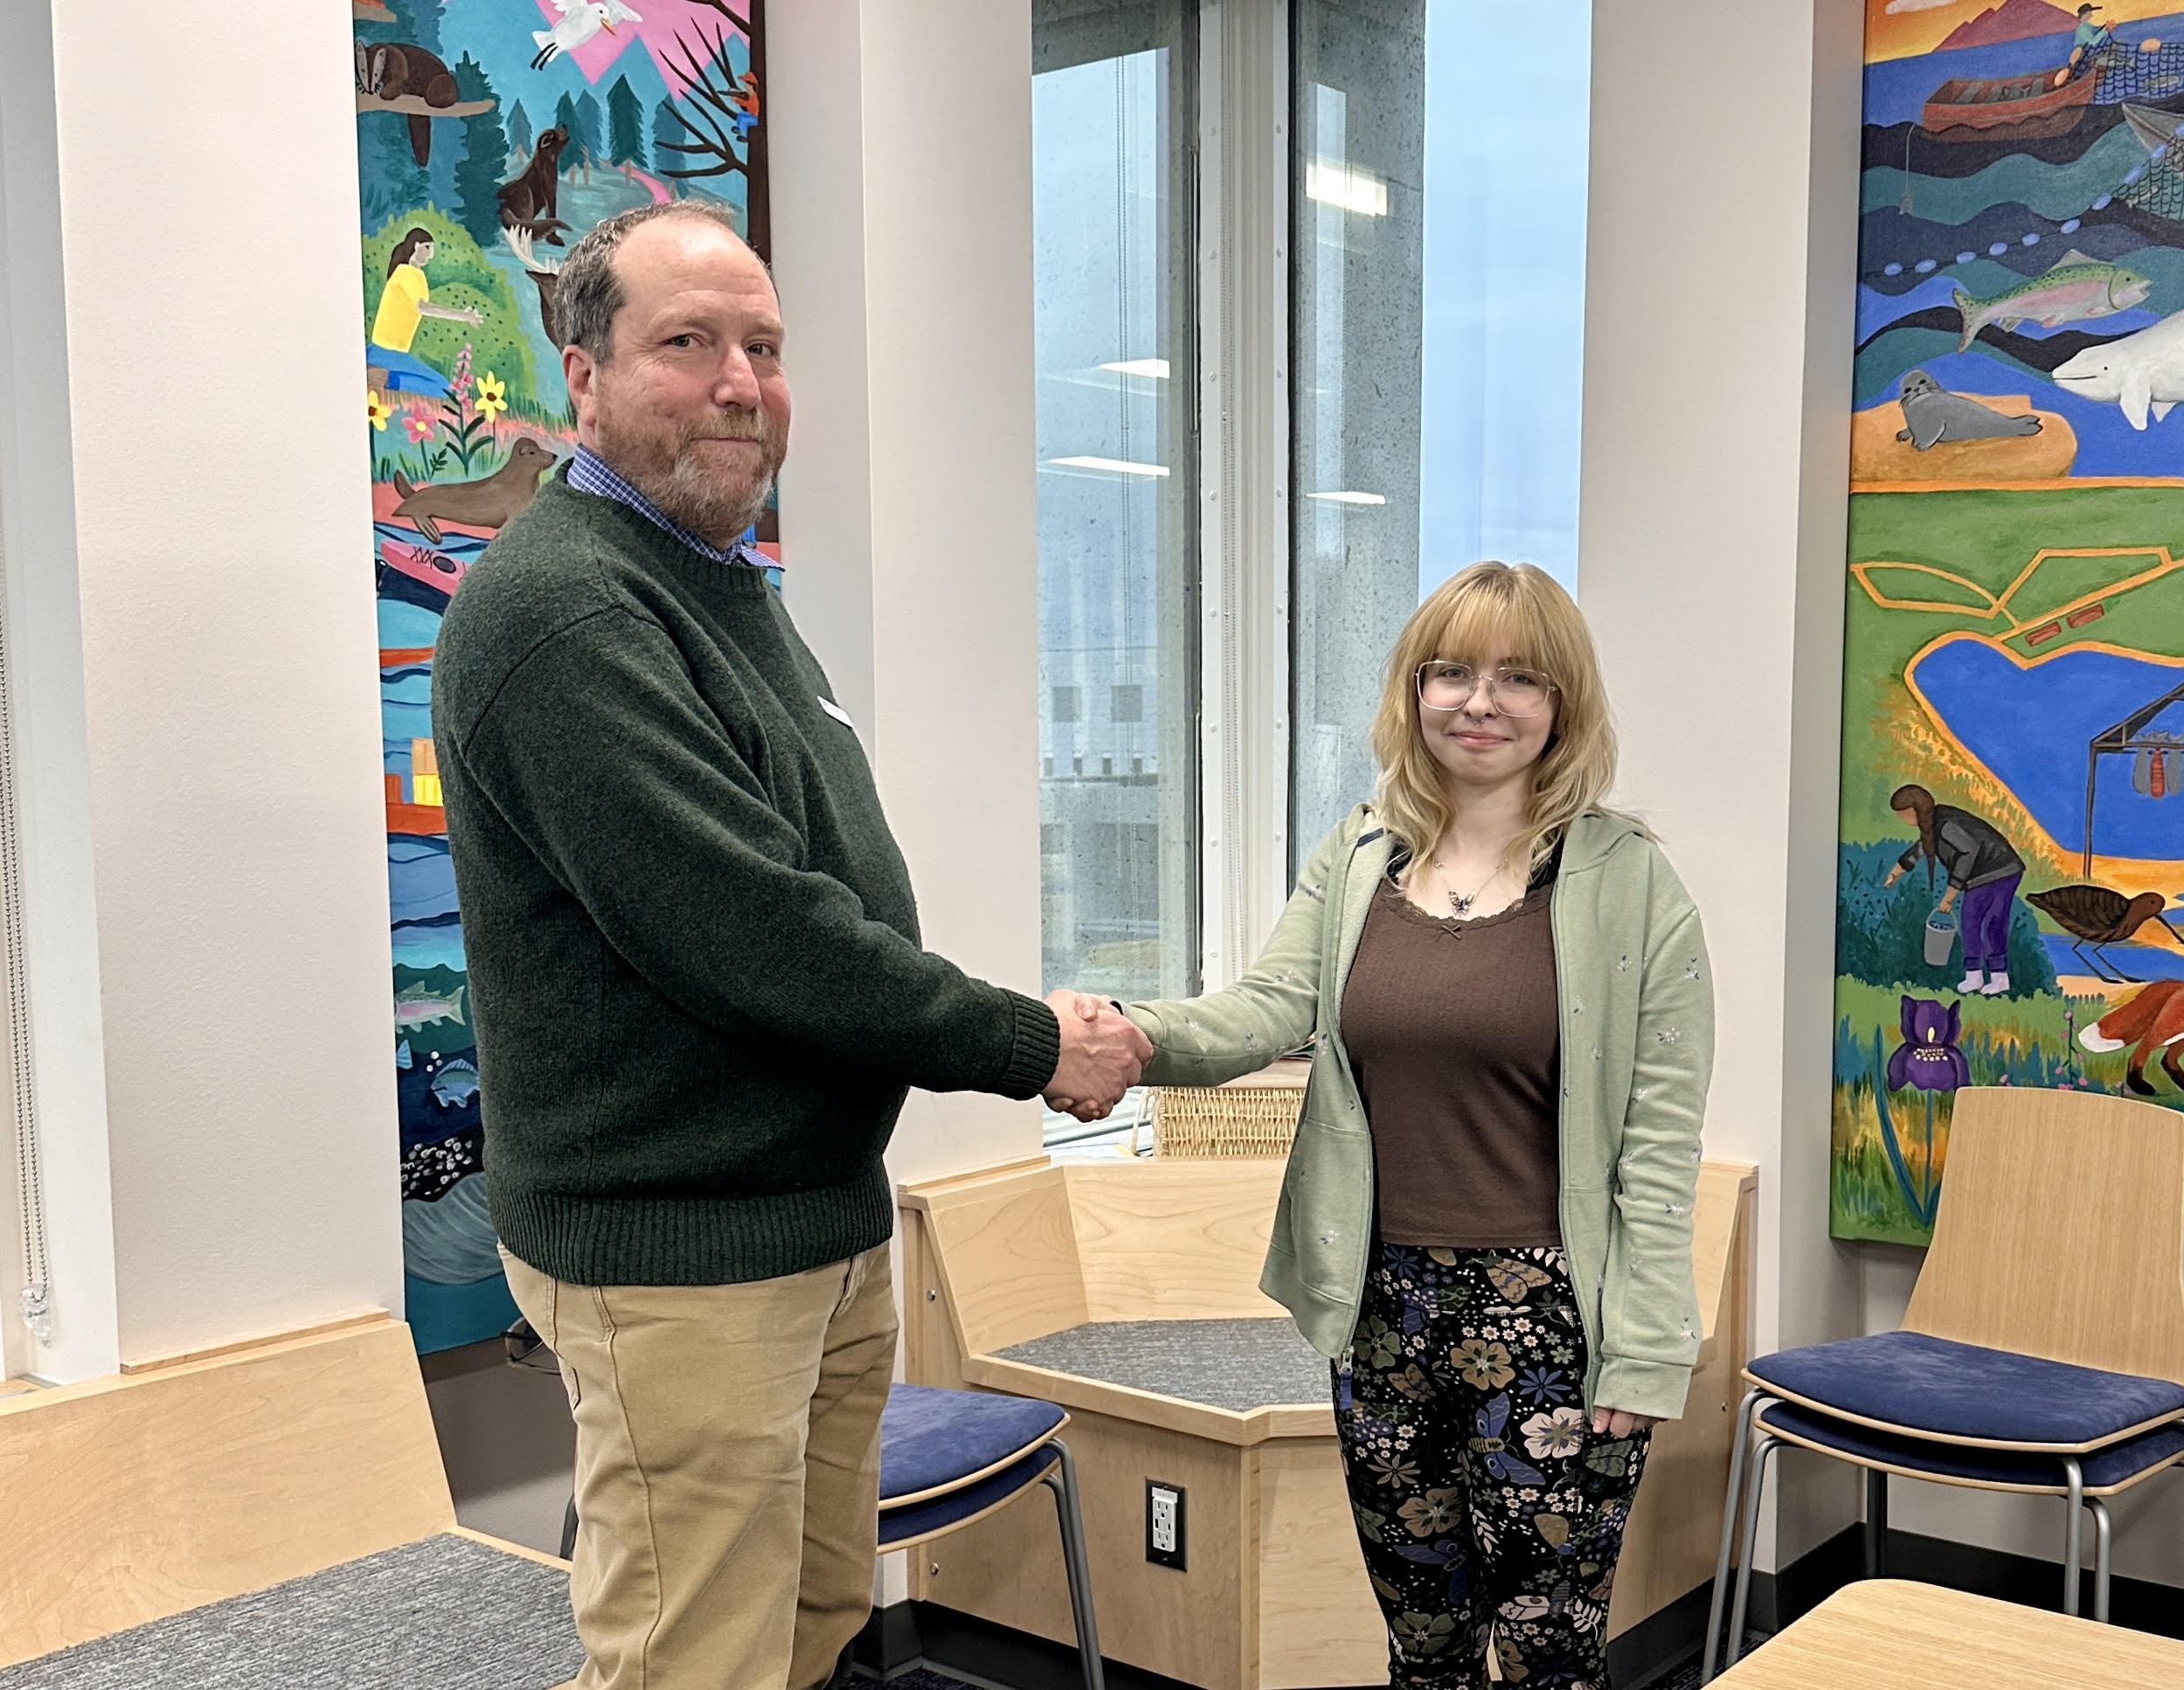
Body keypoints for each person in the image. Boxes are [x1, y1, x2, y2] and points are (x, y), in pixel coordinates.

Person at [430, 200, 1149, 1690]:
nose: (738, 382)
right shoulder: (559, 609)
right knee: (691, 1659)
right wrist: (1034, 1042)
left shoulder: (715, 589)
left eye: (760, 345)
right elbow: (759, 936)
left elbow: (806, 903)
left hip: (810, 1223)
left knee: (813, 1626)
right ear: (582, 375)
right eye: (684, 343)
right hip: (677, 1254)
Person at [1084, 563, 1714, 1690]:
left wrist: (1649, 1343)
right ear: (1412, 691)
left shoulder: (1633, 882)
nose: (1481, 700)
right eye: (1451, 671)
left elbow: (1660, 1146)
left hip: (1557, 1321)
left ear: (1563, 701)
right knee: (1422, 1641)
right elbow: (1266, 1008)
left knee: (1547, 1652)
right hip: (1383, 1309)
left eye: (1519, 676)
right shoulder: (1362, 855)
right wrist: (1128, 1036)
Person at [1882, 783, 2025, 996]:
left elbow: (1969, 851)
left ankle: (1999, 977)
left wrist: (1950, 894)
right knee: (1970, 921)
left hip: (2000, 870)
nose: (1902, 819)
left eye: (1903, 815)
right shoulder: (1932, 824)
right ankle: (1974, 976)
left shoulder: (1946, 824)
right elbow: (1924, 847)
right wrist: (1898, 869)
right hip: (1983, 874)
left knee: (1992, 922)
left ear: (1915, 810)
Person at [368, 227, 483, 397]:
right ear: (416, 247)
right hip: (386, 350)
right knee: (443, 387)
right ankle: (384, 378)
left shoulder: (417, 275)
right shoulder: (405, 272)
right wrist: (463, 315)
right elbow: (423, 307)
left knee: (437, 384)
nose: (431, 255)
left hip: (395, 352)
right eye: (428, 248)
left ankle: (383, 375)